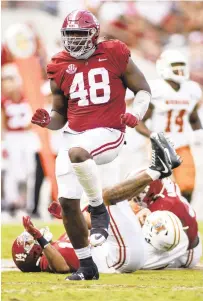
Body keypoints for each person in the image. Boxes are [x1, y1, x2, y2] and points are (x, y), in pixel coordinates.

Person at [31, 9, 152, 280]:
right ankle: (87, 266)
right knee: (68, 202)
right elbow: (60, 115)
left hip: (109, 130)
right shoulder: (59, 64)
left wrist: (137, 114)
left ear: (94, 34)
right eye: (69, 34)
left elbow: (143, 89)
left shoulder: (114, 52)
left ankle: (98, 211)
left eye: (79, 33)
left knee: (78, 153)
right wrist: (47, 120)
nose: (73, 39)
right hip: (74, 133)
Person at [12, 132, 182, 275]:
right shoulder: (46, 259)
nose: (31, 236)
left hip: (121, 250)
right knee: (104, 197)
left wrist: (70, 215)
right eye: (28, 242)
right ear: (33, 253)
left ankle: (155, 167)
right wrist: (40, 239)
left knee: (99, 200)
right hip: (117, 258)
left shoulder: (57, 245)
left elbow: (95, 226)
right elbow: (62, 267)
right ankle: (157, 170)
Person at [135, 49, 203, 203]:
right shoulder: (156, 89)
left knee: (187, 187)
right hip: (158, 145)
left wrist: (198, 132)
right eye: (175, 65)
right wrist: (152, 135)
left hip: (182, 143)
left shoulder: (191, 89)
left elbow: (193, 117)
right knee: (157, 187)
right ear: (164, 67)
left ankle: (183, 218)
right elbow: (139, 120)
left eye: (182, 65)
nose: (180, 70)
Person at [1, 63, 40, 217]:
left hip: (27, 135)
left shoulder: (28, 97)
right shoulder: (4, 101)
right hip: (12, 136)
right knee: (12, 171)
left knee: (30, 170)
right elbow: (2, 122)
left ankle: (29, 205)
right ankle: (12, 203)